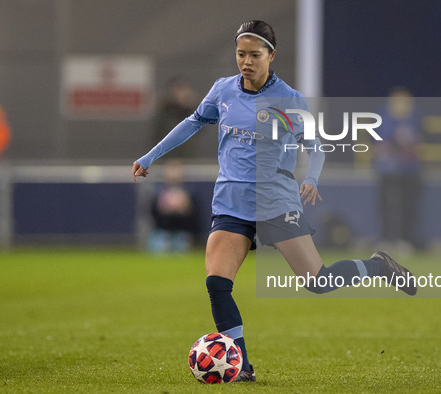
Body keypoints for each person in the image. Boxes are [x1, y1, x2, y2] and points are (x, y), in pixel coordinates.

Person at [132, 21, 417, 382]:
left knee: (318, 281)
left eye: (254, 54)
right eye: (241, 54)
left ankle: (378, 266)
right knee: (217, 283)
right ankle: (243, 367)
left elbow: (314, 146)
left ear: (271, 55)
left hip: (275, 203)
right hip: (231, 203)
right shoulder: (222, 90)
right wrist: (150, 157)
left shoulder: (289, 99)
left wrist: (311, 177)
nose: (246, 62)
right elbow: (191, 123)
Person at [373, 87, 425, 252]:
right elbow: (381, 142)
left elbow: (417, 143)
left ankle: (405, 240)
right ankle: (386, 240)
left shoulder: (414, 117)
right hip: (387, 170)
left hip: (408, 170)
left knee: (407, 207)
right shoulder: (384, 117)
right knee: (385, 207)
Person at [148, 159, 197, 253]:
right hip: (162, 234)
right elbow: (152, 214)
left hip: (181, 234)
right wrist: (165, 209)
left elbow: (194, 218)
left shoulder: (189, 193)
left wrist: (184, 209)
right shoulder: (158, 193)